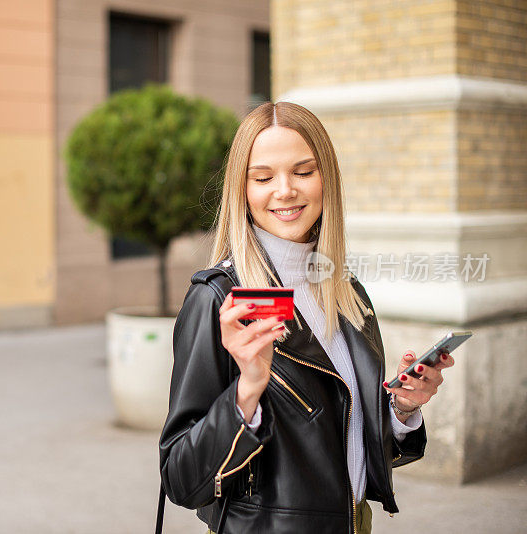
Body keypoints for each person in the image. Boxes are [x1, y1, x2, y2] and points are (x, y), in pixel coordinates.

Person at [157, 101, 455, 534]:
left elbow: (345, 446)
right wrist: (246, 392)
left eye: (303, 172)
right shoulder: (220, 299)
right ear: (242, 188)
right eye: (263, 177)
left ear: (326, 179)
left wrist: (402, 408)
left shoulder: (347, 293)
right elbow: (181, 479)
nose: (285, 190)